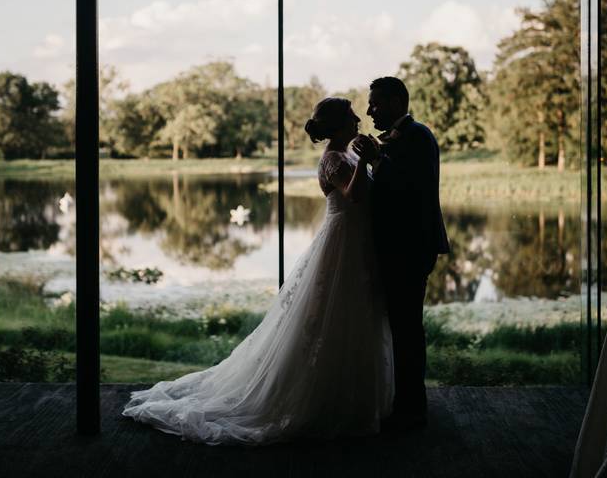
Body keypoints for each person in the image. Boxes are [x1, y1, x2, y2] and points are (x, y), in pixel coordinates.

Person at [123, 97, 393, 445]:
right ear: (339, 124)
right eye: (352, 115)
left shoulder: (353, 154)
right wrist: (366, 162)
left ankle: (355, 398)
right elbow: (354, 195)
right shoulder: (332, 159)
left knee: (357, 317)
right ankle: (318, 400)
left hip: (360, 242)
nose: (358, 118)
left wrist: (372, 159)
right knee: (330, 315)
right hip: (342, 244)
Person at [353, 76, 449, 431]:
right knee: (402, 327)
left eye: (375, 103)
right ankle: (406, 403)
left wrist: (378, 157)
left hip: (411, 247)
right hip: (398, 248)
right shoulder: (401, 138)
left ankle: (412, 410)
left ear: (396, 102)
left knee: (408, 330)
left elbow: (412, 189)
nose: (369, 111)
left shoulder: (419, 136)